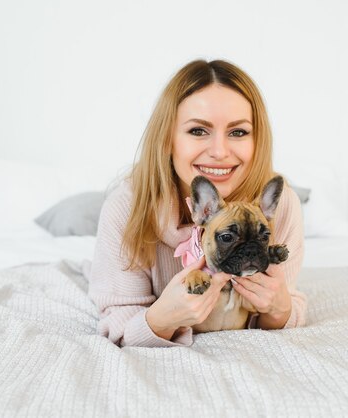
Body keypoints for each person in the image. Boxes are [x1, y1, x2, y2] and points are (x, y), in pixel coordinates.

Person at [88, 59, 306, 347]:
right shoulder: (127, 208)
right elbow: (118, 324)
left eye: (238, 132)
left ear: (258, 140)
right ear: (167, 139)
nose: (219, 151)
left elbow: (281, 308)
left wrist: (279, 309)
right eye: (198, 131)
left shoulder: (280, 204)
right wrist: (161, 319)